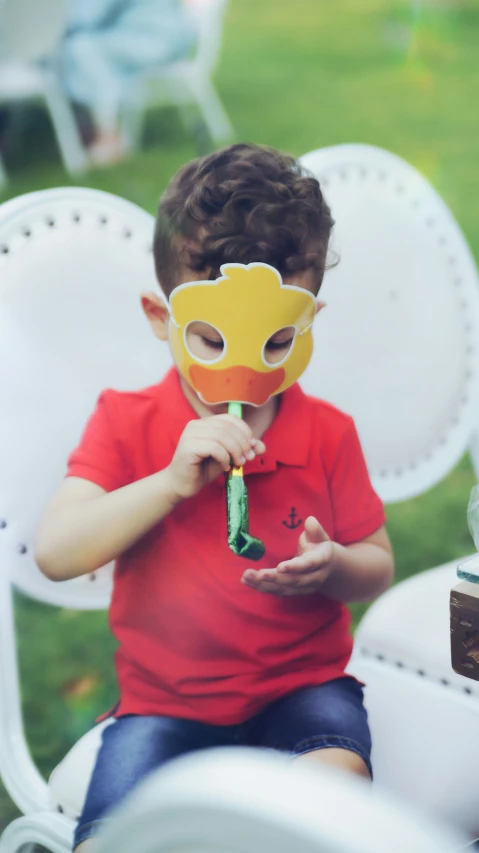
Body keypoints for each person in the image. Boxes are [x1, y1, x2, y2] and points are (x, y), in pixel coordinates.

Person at [35, 143, 394, 852]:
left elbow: (376, 561)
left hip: (304, 687)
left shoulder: (326, 432)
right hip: (164, 707)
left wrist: (335, 566)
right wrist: (168, 483)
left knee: (332, 801)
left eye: (276, 342)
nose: (242, 369)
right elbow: (56, 552)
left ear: (307, 320)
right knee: (113, 841)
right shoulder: (125, 420)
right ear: (159, 316)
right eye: (208, 337)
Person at [59, 0, 197, 164]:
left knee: (82, 49)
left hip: (154, 37)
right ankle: (87, 126)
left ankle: (107, 133)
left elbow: (87, 15)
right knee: (82, 48)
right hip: (164, 33)